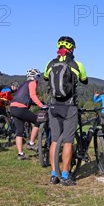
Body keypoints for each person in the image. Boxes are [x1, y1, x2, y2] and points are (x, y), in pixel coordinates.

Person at [44, 36, 88, 186]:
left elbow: (45, 77)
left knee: (55, 140)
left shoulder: (50, 63)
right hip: (69, 107)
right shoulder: (77, 64)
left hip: (53, 106)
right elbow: (84, 80)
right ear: (72, 48)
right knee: (68, 141)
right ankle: (65, 176)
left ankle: (53, 174)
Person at [10, 69, 45, 160]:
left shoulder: (23, 85)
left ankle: (20, 154)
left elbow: (23, 97)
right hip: (20, 108)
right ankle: (31, 143)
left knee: (19, 130)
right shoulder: (32, 83)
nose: (38, 79)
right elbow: (33, 96)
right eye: (37, 76)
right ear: (33, 77)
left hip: (13, 107)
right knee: (38, 120)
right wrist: (42, 106)